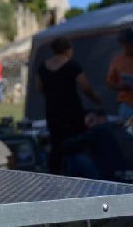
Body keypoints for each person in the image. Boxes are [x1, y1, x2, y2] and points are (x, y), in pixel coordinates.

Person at [36, 36, 101, 174]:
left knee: (56, 143)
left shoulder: (43, 67)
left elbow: (39, 88)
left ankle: (55, 172)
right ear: (67, 50)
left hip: (52, 110)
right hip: (72, 110)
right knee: (76, 143)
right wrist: (96, 98)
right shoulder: (72, 66)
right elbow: (85, 87)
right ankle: (77, 172)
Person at [62, 109, 133, 182]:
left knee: (75, 156)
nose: (89, 126)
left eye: (91, 121)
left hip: (114, 177)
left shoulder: (100, 130)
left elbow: (68, 146)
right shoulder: (121, 129)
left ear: (102, 118)